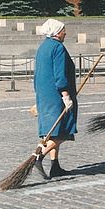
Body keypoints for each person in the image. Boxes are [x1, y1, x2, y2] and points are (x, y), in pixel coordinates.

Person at [33, 19, 77, 179]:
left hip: (44, 93)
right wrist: (65, 95)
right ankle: (39, 156)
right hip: (56, 95)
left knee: (52, 131)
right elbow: (60, 74)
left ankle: (55, 166)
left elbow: (37, 74)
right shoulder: (58, 47)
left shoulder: (43, 47)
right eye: (63, 30)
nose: (65, 33)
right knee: (63, 131)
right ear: (57, 32)